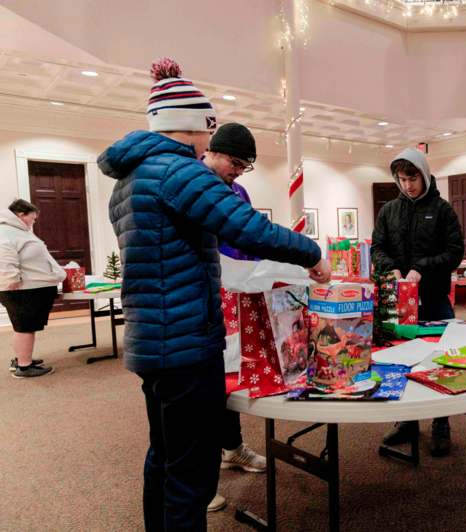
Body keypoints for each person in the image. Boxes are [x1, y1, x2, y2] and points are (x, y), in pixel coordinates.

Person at [98, 59, 330, 531]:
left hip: (152, 342)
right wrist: (311, 253)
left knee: (164, 456)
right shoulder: (177, 171)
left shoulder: (130, 179)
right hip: (185, 343)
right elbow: (247, 229)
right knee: (191, 473)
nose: (210, 142)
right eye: (208, 130)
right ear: (191, 128)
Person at [372, 148, 465, 457]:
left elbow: (455, 253)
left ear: (424, 175)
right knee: (400, 360)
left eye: (412, 178)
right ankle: (407, 421)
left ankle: (441, 423)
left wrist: (421, 268)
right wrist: (392, 269)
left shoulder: (442, 210)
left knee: (440, 359)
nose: (407, 185)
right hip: (396, 301)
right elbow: (377, 248)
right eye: (401, 179)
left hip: (435, 297)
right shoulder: (389, 211)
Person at [201, 122, 267, 513]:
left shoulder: (237, 191)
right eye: (235, 161)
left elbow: (251, 235)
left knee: (231, 377)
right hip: (205, 300)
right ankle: (201, 475)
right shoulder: (193, 185)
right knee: (203, 388)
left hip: (240, 297)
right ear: (211, 150)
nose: (238, 170)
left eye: (245, 165)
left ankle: (232, 448)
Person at [0, 199, 65, 378]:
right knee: (25, 327)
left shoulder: (16, 231)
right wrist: (10, 278)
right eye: (33, 218)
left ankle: (21, 358)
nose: (34, 222)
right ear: (21, 215)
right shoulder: (6, 232)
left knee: (23, 326)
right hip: (23, 290)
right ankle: (24, 367)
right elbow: (4, 256)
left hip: (29, 288)